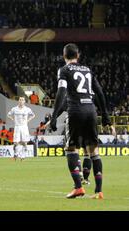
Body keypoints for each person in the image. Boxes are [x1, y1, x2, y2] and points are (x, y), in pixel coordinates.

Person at [49, 43, 113, 199]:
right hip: (91, 110)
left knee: (71, 149)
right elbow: (99, 92)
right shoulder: (88, 70)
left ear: (64, 56)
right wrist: (105, 116)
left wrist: (54, 115)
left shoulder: (64, 70)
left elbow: (62, 92)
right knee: (93, 151)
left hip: (75, 110)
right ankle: (98, 191)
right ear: (78, 55)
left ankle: (78, 187)